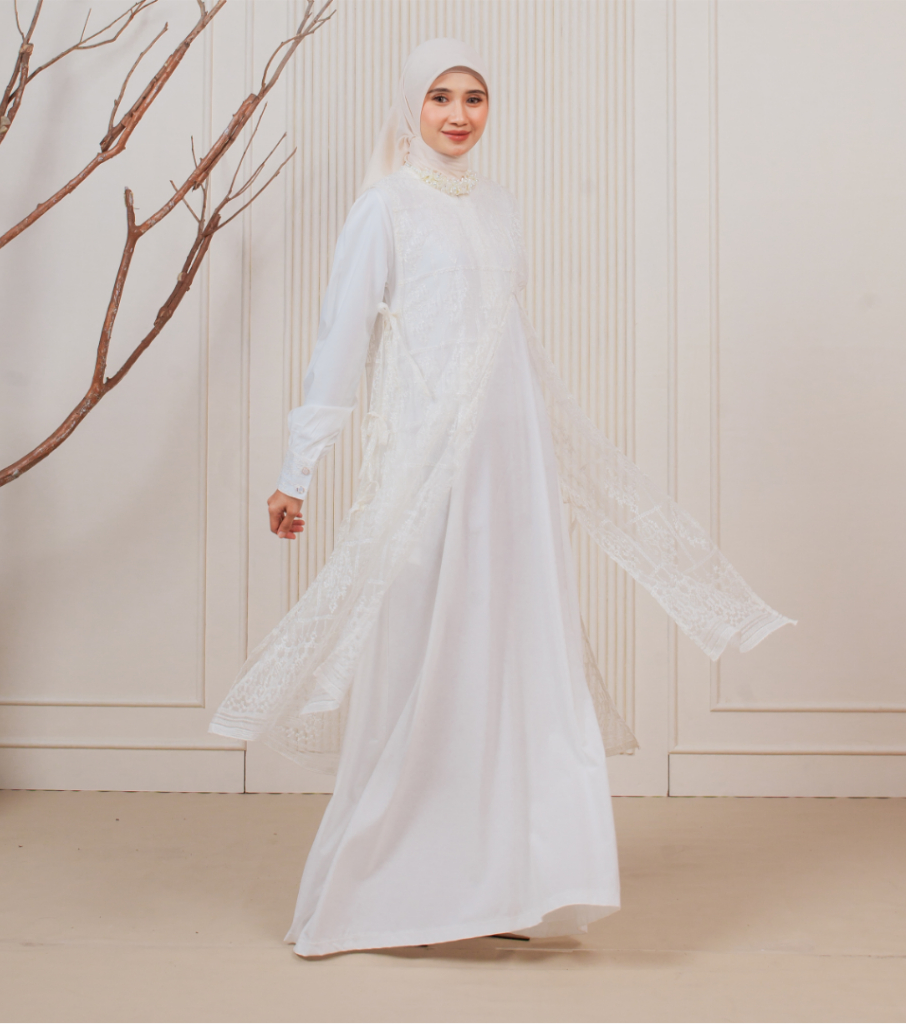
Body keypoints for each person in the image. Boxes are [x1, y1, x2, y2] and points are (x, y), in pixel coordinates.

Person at [210, 38, 793, 958]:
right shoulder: (384, 207)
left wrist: (539, 460)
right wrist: (299, 468)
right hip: (428, 470)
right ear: (411, 108)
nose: (458, 114)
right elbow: (341, 340)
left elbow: (508, 345)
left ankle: (506, 884)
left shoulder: (501, 207)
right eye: (440, 96)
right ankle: (387, 890)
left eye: (474, 97)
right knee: (425, 660)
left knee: (515, 658)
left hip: (512, 465)